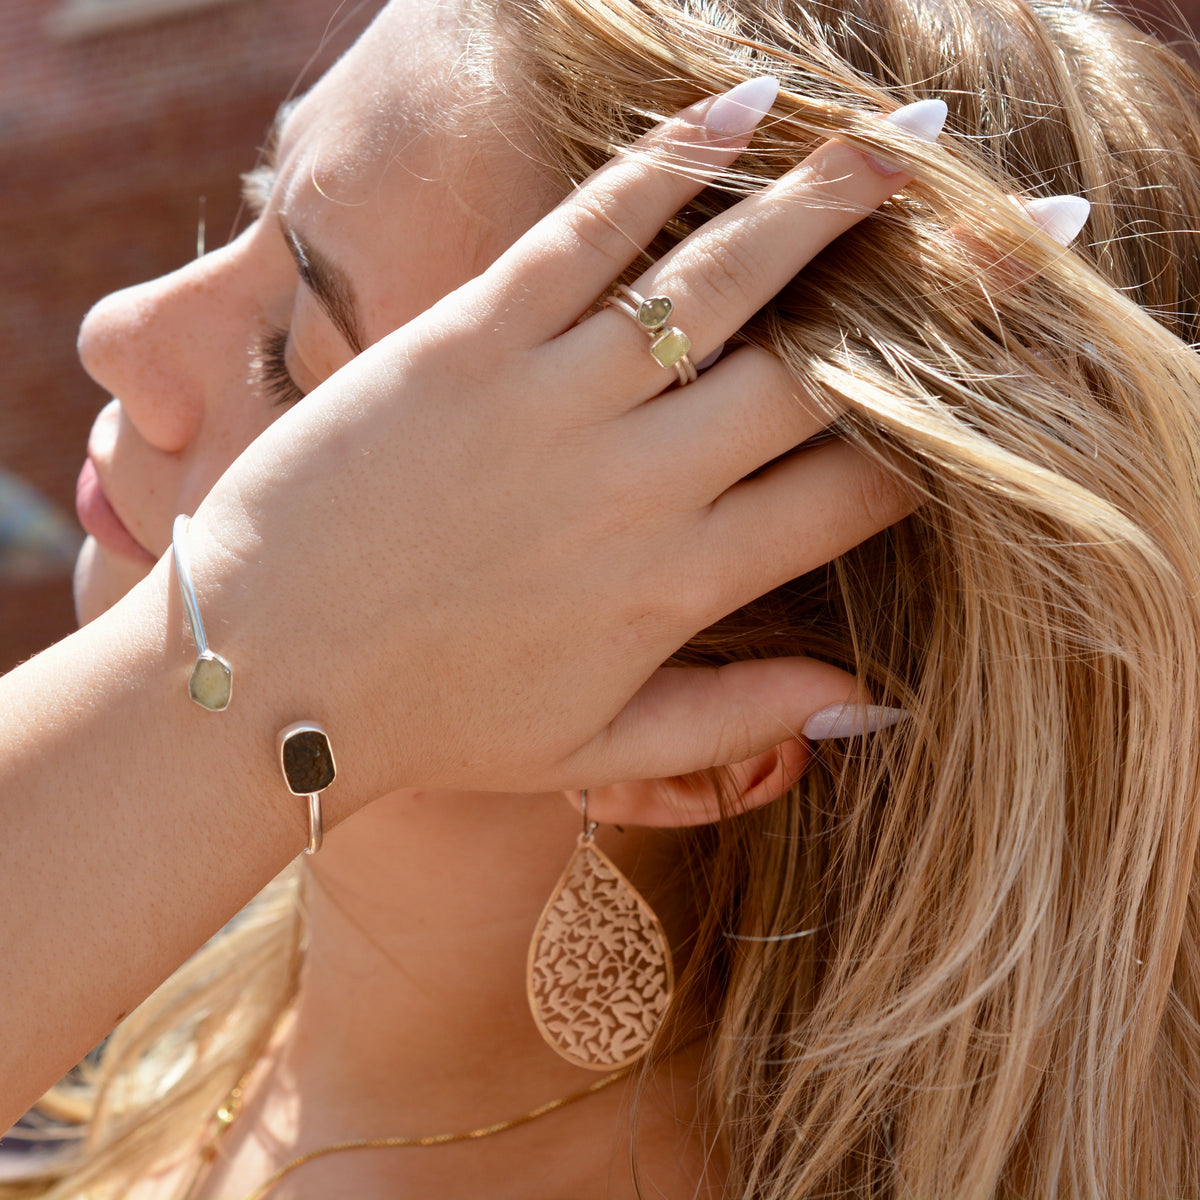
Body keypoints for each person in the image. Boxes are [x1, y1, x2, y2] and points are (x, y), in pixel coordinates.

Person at [5, 0, 1200, 1195]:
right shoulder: (145, 984)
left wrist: (251, 666)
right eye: (264, 187)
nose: (123, 332)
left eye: (300, 367)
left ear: (695, 752)